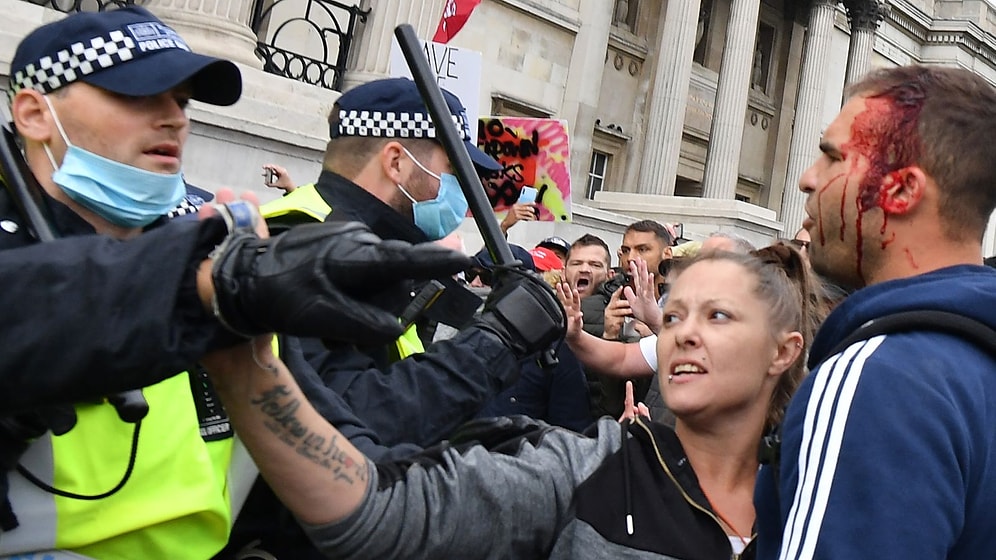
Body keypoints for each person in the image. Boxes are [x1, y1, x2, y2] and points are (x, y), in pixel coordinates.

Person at [0, 7, 473, 558]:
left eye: (181, 102)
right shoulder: (210, 267)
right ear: (34, 114)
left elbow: (336, 442)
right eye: (137, 96)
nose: (173, 120)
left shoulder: (221, 258)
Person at [203, 244, 816, 559]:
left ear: (782, 352)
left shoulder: (815, 499)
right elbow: (375, 515)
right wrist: (244, 359)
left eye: (717, 316)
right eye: (674, 315)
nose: (683, 334)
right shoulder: (586, 471)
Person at [226, 77, 564, 557]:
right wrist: (495, 342)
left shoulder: (375, 248)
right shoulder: (297, 248)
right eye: (454, 169)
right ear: (397, 162)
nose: (465, 191)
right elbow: (347, 424)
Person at [755, 65, 996, 559]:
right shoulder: (972, 364)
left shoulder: (877, 379)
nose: (807, 178)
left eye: (832, 157)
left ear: (902, 190)